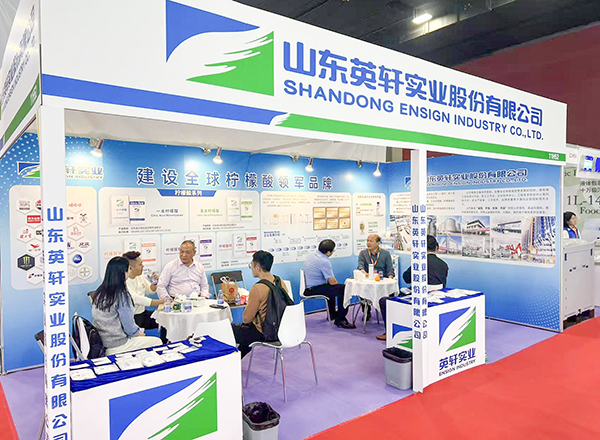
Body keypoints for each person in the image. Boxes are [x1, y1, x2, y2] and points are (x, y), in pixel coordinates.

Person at [376, 235, 449, 341]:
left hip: (418, 299)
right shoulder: (443, 265)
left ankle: (390, 332)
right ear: (437, 248)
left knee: (384, 301)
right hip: (436, 298)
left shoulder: (419, 262)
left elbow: (406, 278)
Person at [91, 256, 162, 355]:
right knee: (157, 342)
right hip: (117, 344)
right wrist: (138, 333)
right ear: (124, 272)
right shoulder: (122, 295)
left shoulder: (100, 291)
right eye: (129, 269)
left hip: (102, 342)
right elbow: (129, 327)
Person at [232, 251, 290, 357]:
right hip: (282, 329)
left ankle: (230, 361)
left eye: (251, 265)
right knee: (246, 337)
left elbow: (246, 319)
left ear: (258, 267)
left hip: (265, 333)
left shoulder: (257, 288)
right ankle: (235, 359)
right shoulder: (280, 282)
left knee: (229, 330)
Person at [303, 239, 356, 329]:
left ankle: (332, 314)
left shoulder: (312, 255)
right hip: (313, 289)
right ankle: (341, 319)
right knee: (343, 289)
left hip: (309, 287)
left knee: (332, 289)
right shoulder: (324, 261)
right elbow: (332, 282)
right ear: (328, 252)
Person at [123, 251, 167, 343]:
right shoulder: (123, 281)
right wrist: (160, 301)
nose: (143, 266)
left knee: (165, 321)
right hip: (132, 317)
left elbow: (150, 290)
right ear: (130, 268)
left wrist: (154, 283)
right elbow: (136, 299)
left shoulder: (139, 276)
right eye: (140, 264)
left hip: (142, 313)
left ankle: (165, 344)